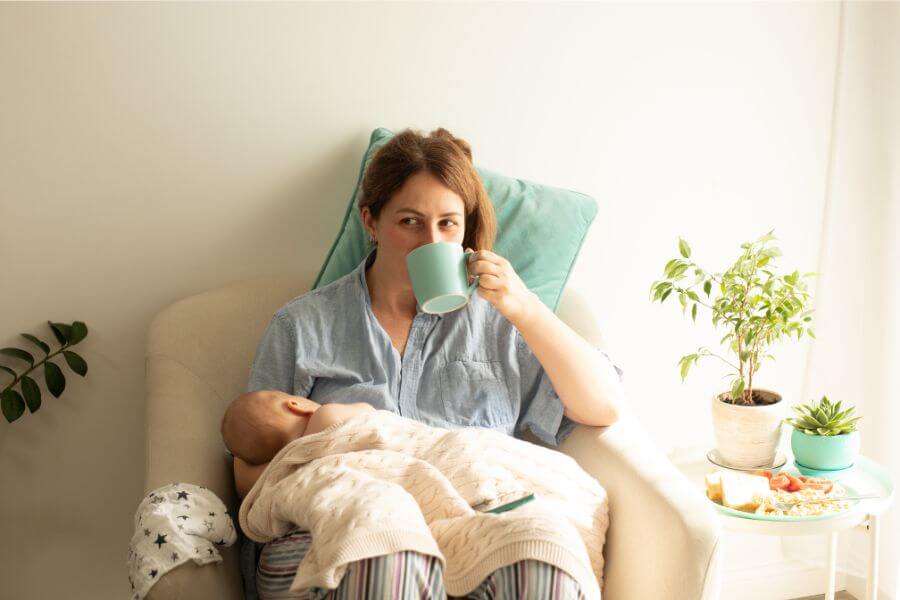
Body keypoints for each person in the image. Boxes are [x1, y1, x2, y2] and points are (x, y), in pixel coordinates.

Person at [236, 127, 625, 600]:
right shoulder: (302, 325)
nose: (430, 241)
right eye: (409, 221)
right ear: (371, 222)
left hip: (471, 524)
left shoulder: (502, 322)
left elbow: (602, 407)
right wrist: (326, 448)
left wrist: (525, 307)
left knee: (543, 554)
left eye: (448, 224)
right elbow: (248, 469)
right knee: (384, 558)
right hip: (336, 530)